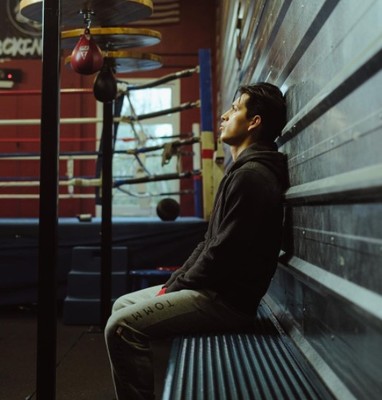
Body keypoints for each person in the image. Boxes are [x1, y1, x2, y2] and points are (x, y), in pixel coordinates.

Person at [105, 82, 289, 400]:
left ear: (254, 122)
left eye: (235, 109)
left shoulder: (252, 176)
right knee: (122, 305)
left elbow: (223, 253)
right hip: (214, 291)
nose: (224, 116)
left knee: (121, 327)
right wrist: (173, 283)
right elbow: (208, 242)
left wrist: (177, 287)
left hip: (226, 303)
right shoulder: (242, 171)